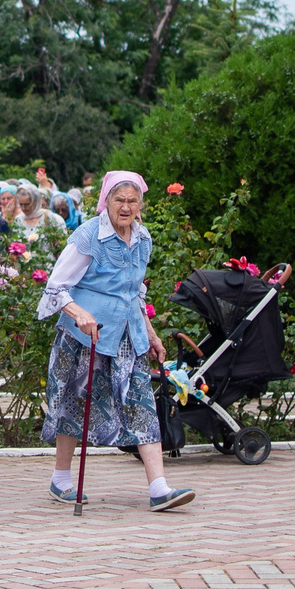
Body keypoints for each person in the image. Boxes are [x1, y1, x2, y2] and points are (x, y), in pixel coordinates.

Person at [36, 170, 194, 514]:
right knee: (74, 404)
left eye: (132, 201)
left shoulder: (143, 238)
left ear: (140, 205)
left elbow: (136, 292)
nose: (125, 207)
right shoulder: (89, 235)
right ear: (105, 201)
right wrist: (79, 313)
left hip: (128, 336)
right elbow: (56, 287)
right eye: (119, 200)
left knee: (141, 403)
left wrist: (151, 334)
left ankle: (159, 488)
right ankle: (61, 479)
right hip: (86, 336)